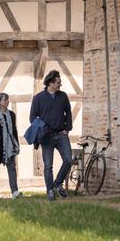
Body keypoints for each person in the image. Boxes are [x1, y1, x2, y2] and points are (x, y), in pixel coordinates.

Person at [30, 69, 73, 201]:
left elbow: (68, 113)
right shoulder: (38, 98)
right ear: (50, 83)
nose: (60, 84)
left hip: (61, 134)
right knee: (48, 165)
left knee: (68, 159)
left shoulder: (63, 96)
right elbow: (33, 118)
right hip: (47, 137)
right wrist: (42, 128)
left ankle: (58, 183)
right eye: (58, 82)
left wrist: (67, 128)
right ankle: (50, 190)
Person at [0, 92, 22, 198]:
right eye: (5, 100)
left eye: (7, 99)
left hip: (9, 146)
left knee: (12, 169)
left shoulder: (12, 114)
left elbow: (14, 130)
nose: (7, 101)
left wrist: (16, 144)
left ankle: (15, 192)